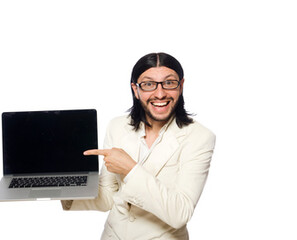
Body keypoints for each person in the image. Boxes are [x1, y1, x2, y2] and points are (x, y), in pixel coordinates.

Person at [63, 52, 215, 239]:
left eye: (169, 83)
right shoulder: (117, 126)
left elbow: (180, 213)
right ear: (135, 89)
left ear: (181, 86)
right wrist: (64, 187)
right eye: (148, 84)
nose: (160, 94)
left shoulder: (200, 137)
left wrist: (130, 168)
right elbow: (108, 197)